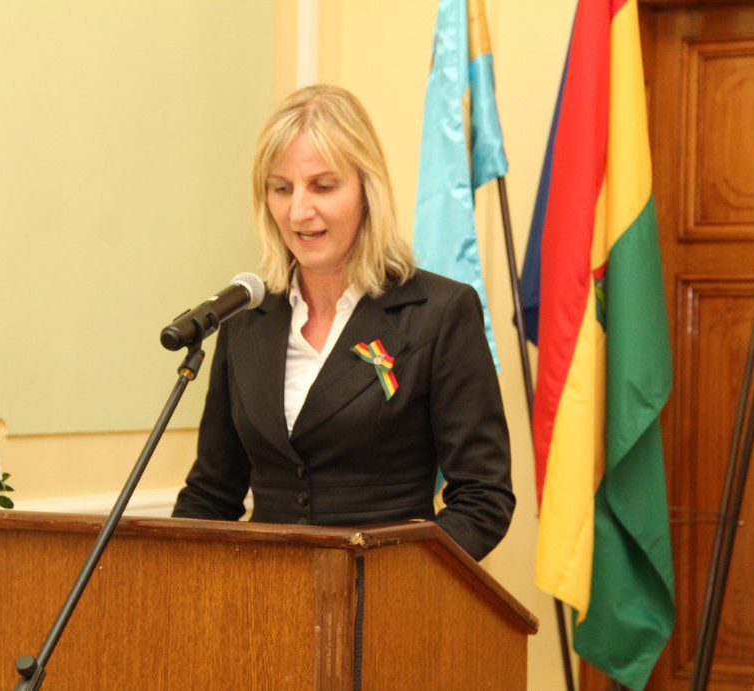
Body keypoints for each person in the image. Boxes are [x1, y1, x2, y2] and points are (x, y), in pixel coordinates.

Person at [172, 84, 513, 561]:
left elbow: (483, 499)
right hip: (262, 595)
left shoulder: (439, 312)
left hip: (390, 594)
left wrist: (391, 583)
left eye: (323, 186)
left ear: (367, 191)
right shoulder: (246, 318)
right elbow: (212, 493)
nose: (298, 211)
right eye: (281, 188)